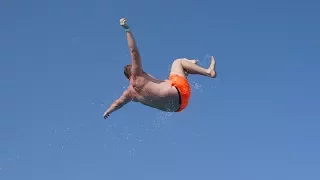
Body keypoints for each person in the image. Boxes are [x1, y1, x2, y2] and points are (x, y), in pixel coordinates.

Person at [103, 18, 217, 119]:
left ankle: (189, 67)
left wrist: (108, 111)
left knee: (171, 78)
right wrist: (127, 30)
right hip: (180, 92)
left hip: (178, 107)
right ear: (132, 72)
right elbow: (133, 51)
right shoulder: (137, 75)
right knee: (178, 62)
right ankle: (207, 71)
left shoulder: (129, 93)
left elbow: (118, 103)